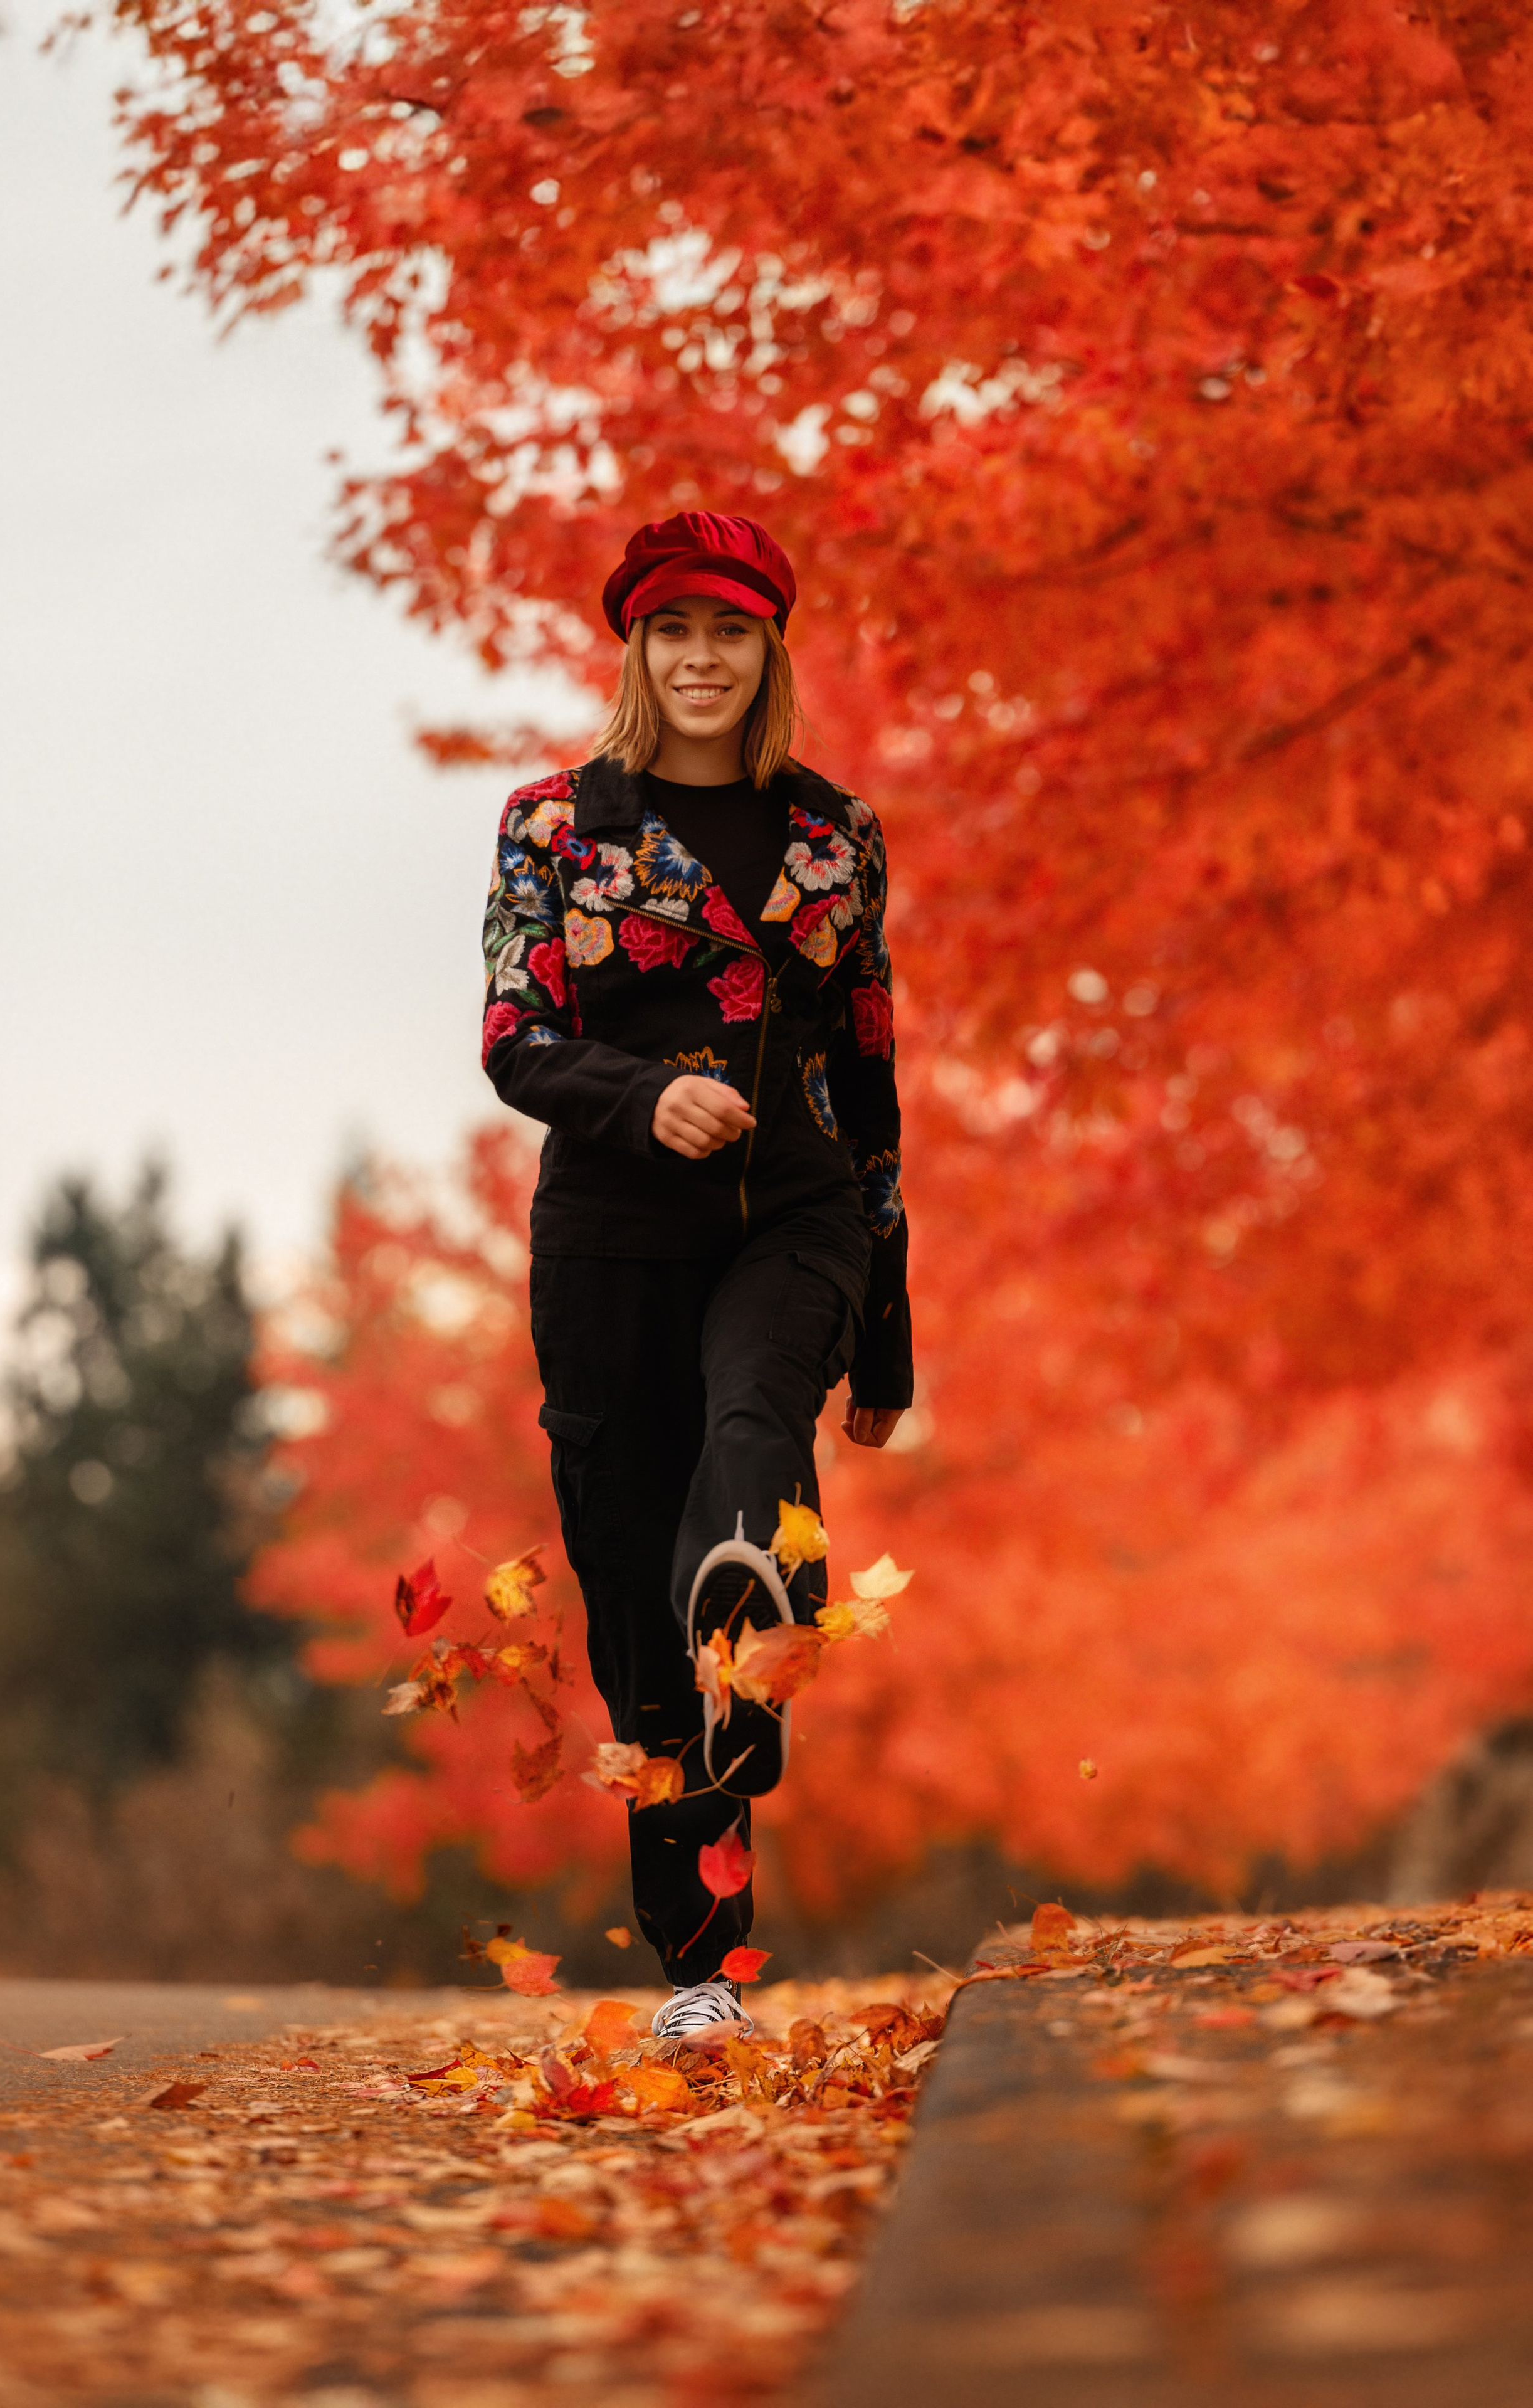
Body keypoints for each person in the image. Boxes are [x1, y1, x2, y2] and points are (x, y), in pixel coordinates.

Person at [481, 510, 911, 2042]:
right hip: (606, 1244)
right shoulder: (554, 826)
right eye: (674, 631)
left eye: (730, 631)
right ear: (637, 652)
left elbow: (866, 1078)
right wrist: (637, 1097)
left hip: (788, 1219)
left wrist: (891, 1333)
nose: (702, 658)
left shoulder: (832, 836)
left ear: (767, 651)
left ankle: (750, 1593)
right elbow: (512, 1041)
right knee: (634, 1629)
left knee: (752, 1434)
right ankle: (700, 1972)